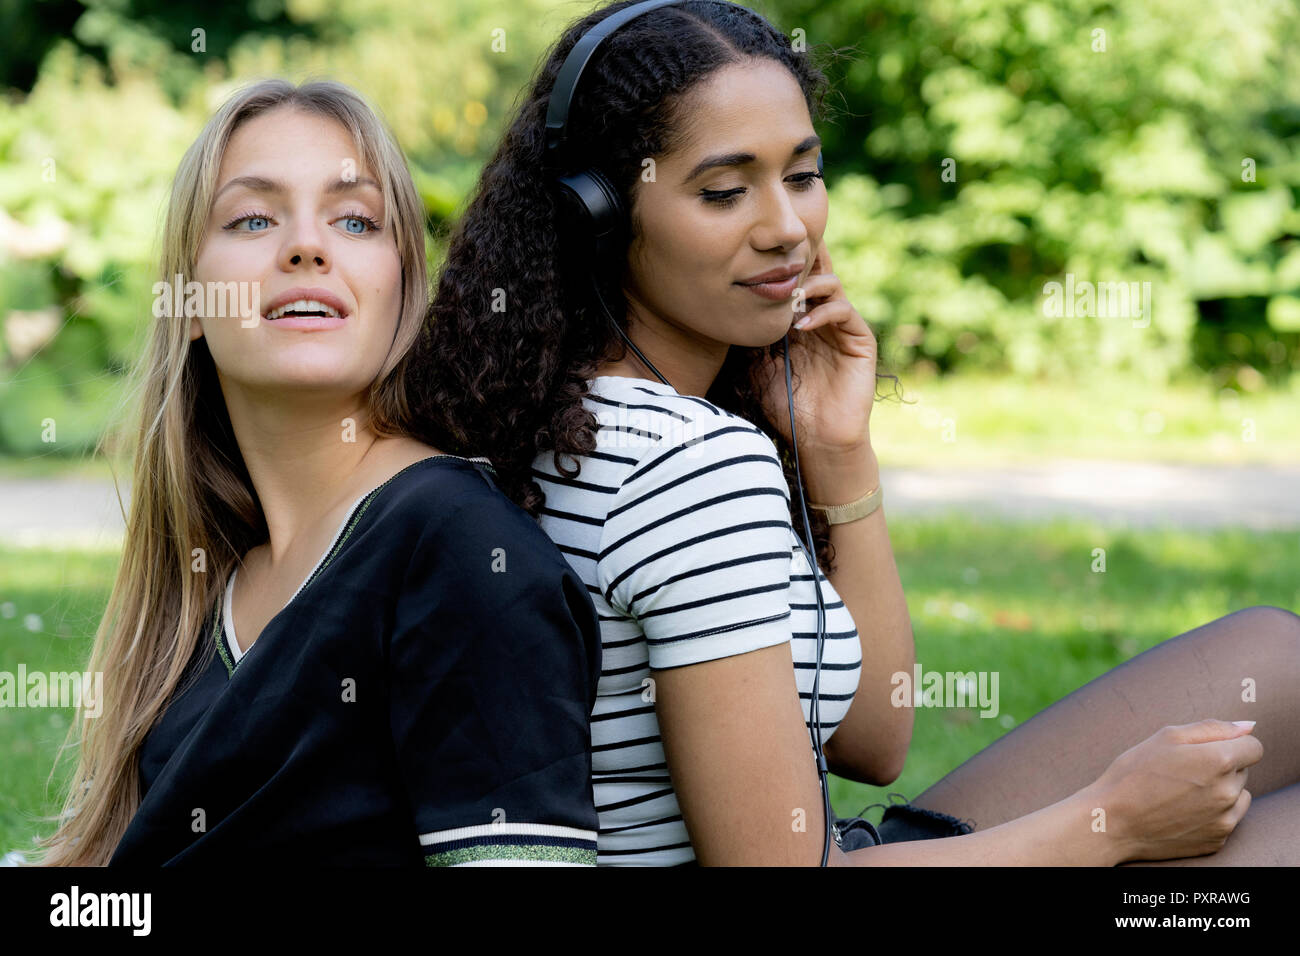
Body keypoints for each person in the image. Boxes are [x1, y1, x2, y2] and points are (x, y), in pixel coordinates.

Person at [419, 0, 1300, 866]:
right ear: (600, 215)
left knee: (1277, 650)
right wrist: (1111, 824)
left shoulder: (530, 402)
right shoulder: (686, 466)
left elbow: (874, 738)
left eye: (802, 175)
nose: (788, 229)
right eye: (724, 191)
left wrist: (839, 452)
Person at [34, 79, 601, 867]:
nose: (306, 246)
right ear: (189, 303)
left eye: (355, 220)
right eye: (254, 218)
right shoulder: (215, 582)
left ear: (403, 290)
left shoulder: (457, 546)